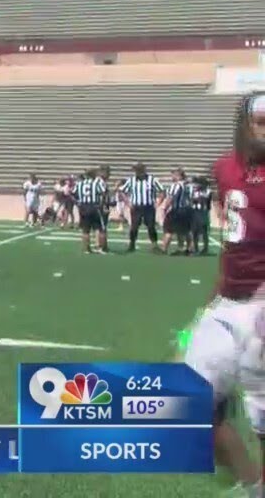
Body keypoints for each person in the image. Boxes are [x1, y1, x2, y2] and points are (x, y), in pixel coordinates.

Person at [182, 92, 265, 496]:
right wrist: (212, 301)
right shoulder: (224, 169)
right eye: (261, 120)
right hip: (230, 301)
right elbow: (235, 246)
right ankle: (252, 484)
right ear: (244, 124)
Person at [119, 162, 163, 253]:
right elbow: (122, 191)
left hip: (149, 207)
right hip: (136, 207)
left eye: (139, 170)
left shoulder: (152, 180)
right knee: (134, 227)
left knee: (151, 226)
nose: (137, 172)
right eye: (136, 170)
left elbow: (162, 191)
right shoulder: (131, 180)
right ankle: (132, 244)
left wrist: (158, 203)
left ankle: (154, 245)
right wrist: (128, 203)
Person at [75, 168, 109, 254]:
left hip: (84, 207)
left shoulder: (80, 184)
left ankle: (86, 249)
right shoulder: (96, 183)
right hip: (95, 206)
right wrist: (102, 204)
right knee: (100, 228)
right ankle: (100, 248)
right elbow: (103, 193)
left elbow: (73, 193)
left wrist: (78, 203)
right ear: (93, 174)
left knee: (85, 230)